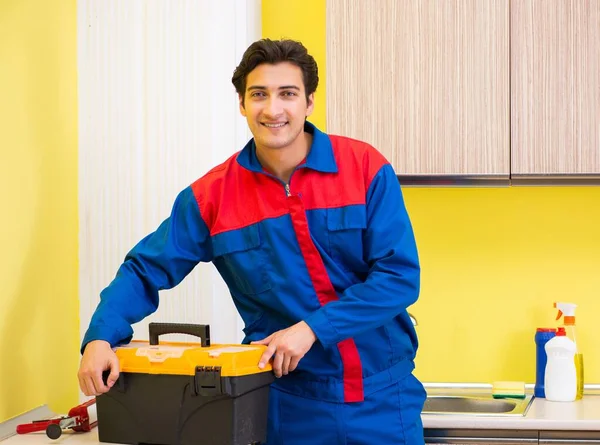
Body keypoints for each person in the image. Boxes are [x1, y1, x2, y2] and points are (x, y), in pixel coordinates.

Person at [78, 38, 426, 444]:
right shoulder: (211, 198)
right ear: (242, 103)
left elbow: (399, 277)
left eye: (288, 94)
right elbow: (145, 269)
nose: (273, 109)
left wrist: (312, 329)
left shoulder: (364, 169)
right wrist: (100, 336)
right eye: (259, 94)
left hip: (383, 402)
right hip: (283, 405)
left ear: (309, 102)